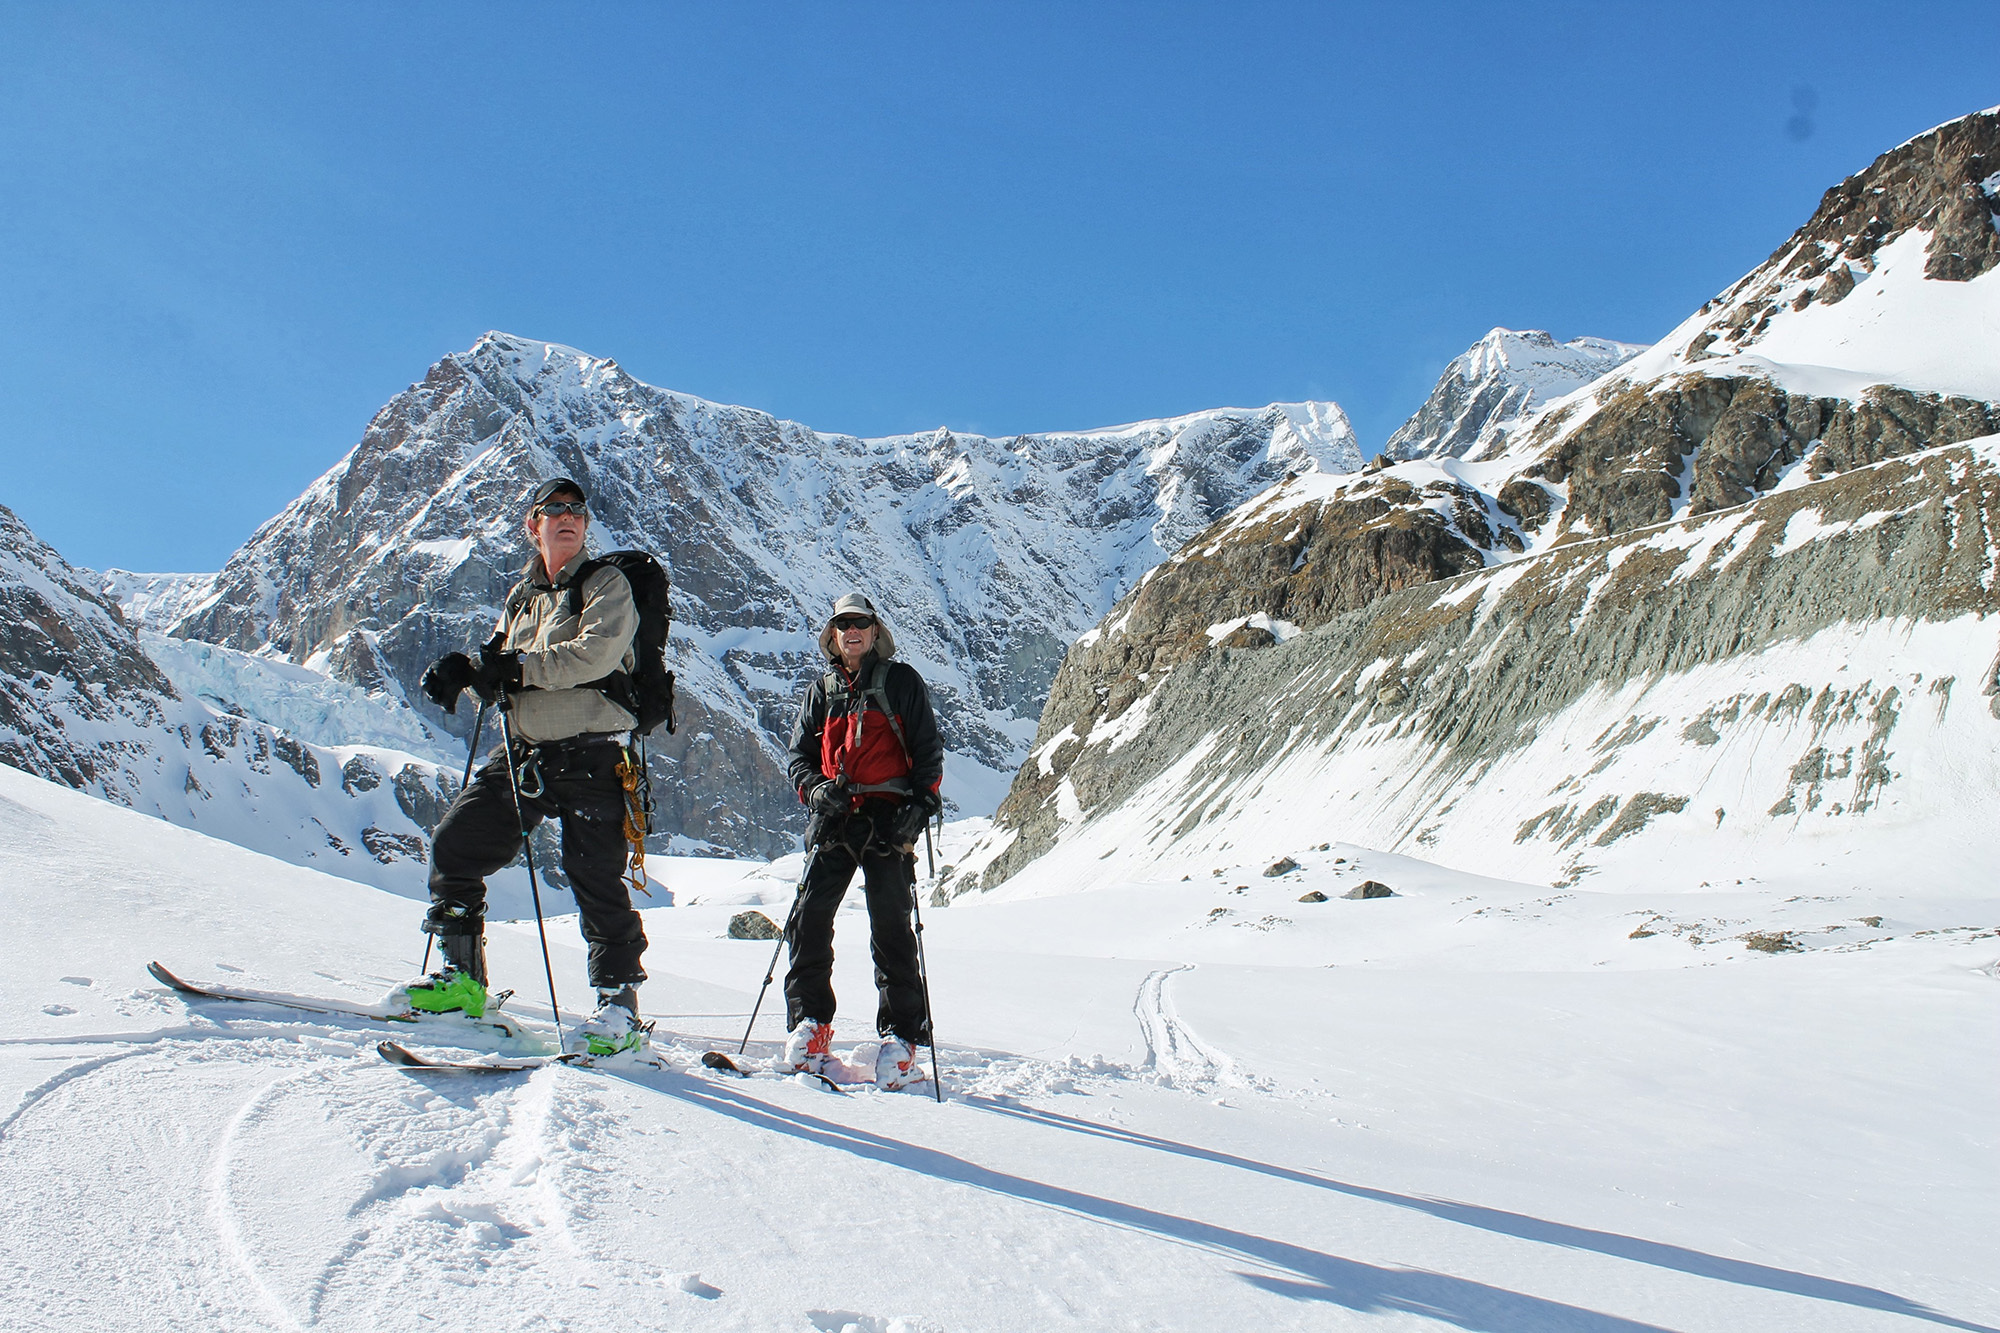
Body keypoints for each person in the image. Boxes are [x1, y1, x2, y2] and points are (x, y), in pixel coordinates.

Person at [404, 476, 651, 1057]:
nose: (567, 517)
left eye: (577, 510)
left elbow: (596, 652)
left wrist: (514, 670)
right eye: (553, 510)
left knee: (594, 877)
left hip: (592, 753)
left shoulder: (606, 584)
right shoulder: (521, 598)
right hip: (524, 754)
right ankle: (463, 981)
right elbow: (501, 659)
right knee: (455, 846)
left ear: (586, 525)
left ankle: (618, 1007)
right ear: (532, 525)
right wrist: (468, 669)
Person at [783, 592, 945, 1089]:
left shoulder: (901, 682)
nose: (851, 631)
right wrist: (815, 791)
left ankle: (901, 1037)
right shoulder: (821, 690)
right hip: (836, 817)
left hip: (888, 817)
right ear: (832, 635)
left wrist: (918, 808)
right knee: (808, 920)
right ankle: (812, 1025)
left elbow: (927, 749)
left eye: (860, 624)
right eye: (842, 624)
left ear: (875, 632)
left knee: (891, 928)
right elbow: (798, 758)